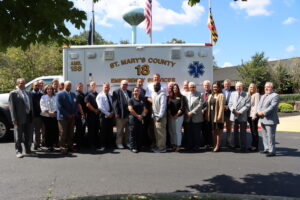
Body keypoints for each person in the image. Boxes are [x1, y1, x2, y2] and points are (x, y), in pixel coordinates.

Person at [9, 78, 34, 158]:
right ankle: (18, 151)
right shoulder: (13, 94)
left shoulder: (28, 93)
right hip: (19, 118)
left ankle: (28, 150)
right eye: (20, 83)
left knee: (28, 135)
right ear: (17, 84)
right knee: (18, 136)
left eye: (23, 83)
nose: (22, 84)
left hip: (29, 117)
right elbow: (12, 107)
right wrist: (13, 118)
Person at [256, 82, 280, 157]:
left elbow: (272, 107)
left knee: (270, 136)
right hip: (263, 119)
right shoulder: (263, 96)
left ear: (272, 88)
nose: (266, 88)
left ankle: (272, 151)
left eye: (268, 87)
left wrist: (263, 112)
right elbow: (259, 105)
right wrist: (258, 111)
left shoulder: (275, 96)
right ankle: (266, 149)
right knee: (264, 135)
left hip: (270, 120)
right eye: (265, 87)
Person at [56, 81, 77, 153]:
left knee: (71, 133)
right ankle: (62, 147)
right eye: (68, 85)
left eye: (70, 85)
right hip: (63, 117)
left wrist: (74, 113)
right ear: (64, 86)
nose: (69, 87)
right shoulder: (59, 94)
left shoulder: (73, 94)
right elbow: (59, 107)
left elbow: (75, 105)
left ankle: (70, 147)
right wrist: (67, 114)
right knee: (63, 133)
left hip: (72, 117)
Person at [228, 82, 250, 152]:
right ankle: (236, 145)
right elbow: (230, 104)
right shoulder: (232, 94)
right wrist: (233, 110)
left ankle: (243, 146)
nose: (238, 88)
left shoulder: (247, 94)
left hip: (242, 116)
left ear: (242, 87)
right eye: (237, 86)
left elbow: (247, 105)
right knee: (235, 132)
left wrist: (239, 112)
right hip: (234, 115)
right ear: (235, 87)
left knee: (243, 132)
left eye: (240, 86)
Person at [112, 80, 132, 149]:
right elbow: (115, 104)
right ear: (120, 85)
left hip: (128, 115)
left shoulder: (129, 92)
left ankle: (126, 143)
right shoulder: (116, 92)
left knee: (128, 130)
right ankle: (119, 143)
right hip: (120, 115)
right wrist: (116, 113)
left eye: (126, 84)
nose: (125, 85)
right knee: (120, 130)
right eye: (123, 84)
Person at [206, 82, 225, 152]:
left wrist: (219, 116)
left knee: (218, 132)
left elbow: (221, 107)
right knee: (214, 131)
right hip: (212, 115)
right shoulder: (211, 95)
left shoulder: (221, 95)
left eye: (216, 87)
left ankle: (217, 146)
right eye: (214, 87)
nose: (215, 88)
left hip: (217, 116)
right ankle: (214, 145)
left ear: (219, 87)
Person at [168, 83, 187, 152]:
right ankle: (173, 145)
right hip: (171, 117)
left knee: (177, 131)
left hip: (178, 117)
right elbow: (169, 107)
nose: (175, 89)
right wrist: (170, 114)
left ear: (178, 89)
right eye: (173, 88)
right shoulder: (171, 97)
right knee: (172, 131)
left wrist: (177, 115)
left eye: (176, 88)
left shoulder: (182, 97)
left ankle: (178, 145)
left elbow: (182, 108)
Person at [128, 87, 147, 153]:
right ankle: (133, 147)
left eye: (137, 91)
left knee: (139, 133)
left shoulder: (141, 100)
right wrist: (137, 116)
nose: (136, 92)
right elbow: (130, 109)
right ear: (133, 92)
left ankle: (138, 146)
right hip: (133, 119)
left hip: (139, 119)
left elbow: (145, 109)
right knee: (133, 133)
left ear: (139, 92)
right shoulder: (131, 100)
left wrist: (141, 116)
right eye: (135, 91)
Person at [40, 85, 59, 152]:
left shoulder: (55, 97)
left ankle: (54, 145)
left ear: (52, 90)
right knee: (47, 131)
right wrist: (49, 112)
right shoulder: (43, 97)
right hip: (46, 116)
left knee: (54, 130)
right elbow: (42, 106)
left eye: (50, 89)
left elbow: (58, 105)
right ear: (46, 90)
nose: (49, 90)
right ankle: (48, 146)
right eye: (48, 89)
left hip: (54, 116)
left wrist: (54, 112)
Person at [96, 82, 115, 150]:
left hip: (111, 115)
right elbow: (100, 107)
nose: (107, 89)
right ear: (103, 87)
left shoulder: (110, 95)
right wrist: (108, 114)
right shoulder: (100, 96)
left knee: (110, 131)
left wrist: (112, 113)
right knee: (103, 131)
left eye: (108, 87)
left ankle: (109, 145)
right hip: (104, 115)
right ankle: (102, 145)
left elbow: (113, 105)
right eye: (105, 87)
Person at [185, 82, 203, 151]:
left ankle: (196, 146)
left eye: (193, 87)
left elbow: (200, 105)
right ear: (188, 88)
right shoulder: (186, 95)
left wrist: (192, 112)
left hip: (197, 117)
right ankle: (189, 145)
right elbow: (185, 105)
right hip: (188, 117)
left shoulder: (200, 94)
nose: (192, 88)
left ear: (195, 87)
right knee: (189, 133)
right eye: (190, 87)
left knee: (196, 133)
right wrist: (187, 112)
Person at [152, 82, 167, 153]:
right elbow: (153, 106)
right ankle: (158, 146)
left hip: (160, 117)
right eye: (154, 86)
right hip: (155, 117)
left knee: (161, 133)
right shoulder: (155, 94)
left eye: (156, 86)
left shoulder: (162, 95)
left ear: (159, 86)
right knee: (157, 133)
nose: (155, 87)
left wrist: (160, 116)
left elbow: (163, 106)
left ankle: (162, 148)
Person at [85, 81, 101, 149]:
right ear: (90, 86)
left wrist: (99, 110)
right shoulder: (88, 94)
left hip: (97, 115)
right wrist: (95, 110)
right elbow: (87, 104)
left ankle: (96, 144)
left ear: (96, 86)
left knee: (96, 130)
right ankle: (90, 144)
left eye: (94, 85)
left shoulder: (97, 94)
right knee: (91, 130)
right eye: (92, 85)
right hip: (91, 115)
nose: (93, 86)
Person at [247, 83, 260, 152]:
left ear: (255, 88)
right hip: (249, 115)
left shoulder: (256, 94)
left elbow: (257, 105)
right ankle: (253, 145)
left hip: (253, 116)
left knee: (254, 131)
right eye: (250, 87)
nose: (252, 88)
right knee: (252, 131)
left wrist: (254, 115)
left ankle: (255, 146)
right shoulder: (249, 95)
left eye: (253, 87)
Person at [30, 81, 43, 150]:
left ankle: (37, 145)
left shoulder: (41, 95)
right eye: (35, 85)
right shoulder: (30, 94)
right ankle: (30, 146)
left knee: (38, 131)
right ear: (33, 86)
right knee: (30, 132)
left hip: (39, 116)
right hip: (31, 116)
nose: (37, 86)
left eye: (38, 85)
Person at [74, 82, 86, 150]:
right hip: (79, 115)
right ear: (77, 87)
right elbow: (79, 105)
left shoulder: (82, 94)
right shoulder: (77, 94)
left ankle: (80, 143)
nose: (81, 87)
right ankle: (78, 144)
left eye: (81, 86)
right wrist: (82, 114)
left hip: (82, 114)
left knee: (82, 129)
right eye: (79, 86)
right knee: (79, 130)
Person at [222, 79, 234, 147]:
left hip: (230, 113)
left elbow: (234, 102)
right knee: (220, 129)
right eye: (225, 84)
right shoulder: (221, 91)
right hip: (222, 113)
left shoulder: (233, 91)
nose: (226, 85)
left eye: (228, 84)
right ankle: (219, 143)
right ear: (224, 85)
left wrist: (228, 106)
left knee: (229, 129)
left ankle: (228, 143)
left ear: (230, 84)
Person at [201, 80, 212, 150]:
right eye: (205, 85)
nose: (206, 86)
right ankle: (205, 143)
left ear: (210, 86)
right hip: (202, 115)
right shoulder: (202, 94)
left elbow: (211, 104)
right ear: (203, 86)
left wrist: (204, 109)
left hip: (209, 114)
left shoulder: (212, 94)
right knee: (204, 129)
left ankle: (209, 143)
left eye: (207, 85)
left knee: (209, 130)